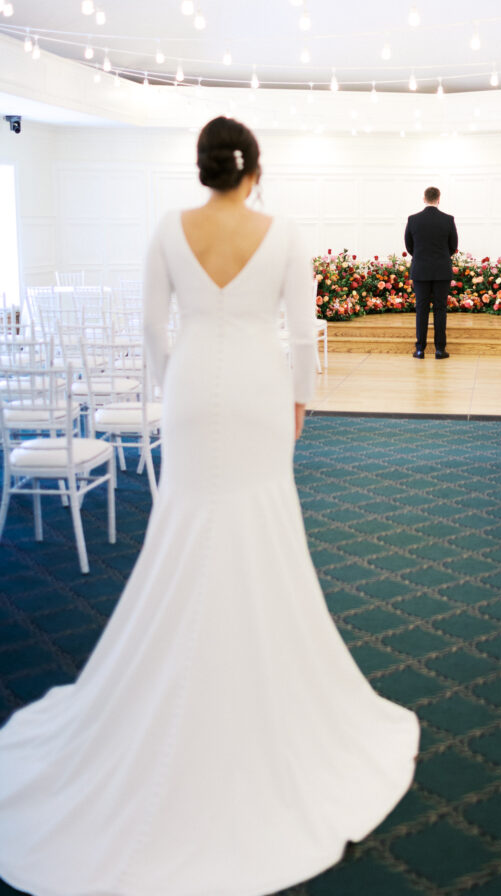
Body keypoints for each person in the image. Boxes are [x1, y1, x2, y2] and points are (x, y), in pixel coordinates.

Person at [0, 117, 419, 896]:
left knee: (188, 525)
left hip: (191, 390)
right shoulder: (284, 232)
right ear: (254, 169)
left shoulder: (168, 227)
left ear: (203, 169)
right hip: (259, 392)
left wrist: (173, 387)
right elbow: (300, 338)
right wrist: (299, 404)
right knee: (260, 523)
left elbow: (154, 331)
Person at [404, 187, 458, 359]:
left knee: (421, 310)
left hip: (420, 270)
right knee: (440, 310)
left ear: (424, 198)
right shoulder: (448, 220)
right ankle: (440, 350)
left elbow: (409, 245)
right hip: (442, 270)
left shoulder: (413, 220)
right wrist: (441, 257)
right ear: (439, 199)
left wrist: (421, 256)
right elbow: (453, 245)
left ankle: (420, 350)